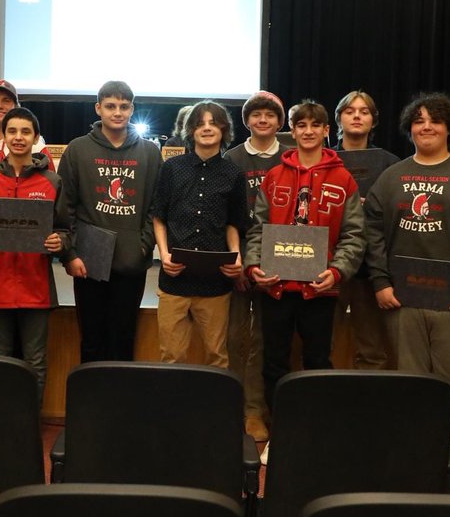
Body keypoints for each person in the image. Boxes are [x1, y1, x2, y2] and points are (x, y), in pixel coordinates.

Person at [364, 93, 450, 463]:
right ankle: (414, 450)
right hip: (402, 300)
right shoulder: (390, 178)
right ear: (409, 129)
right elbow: (372, 234)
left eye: (435, 120)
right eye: (419, 120)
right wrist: (380, 282)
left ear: (449, 128)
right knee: (410, 382)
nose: (426, 126)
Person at [244, 99, 366, 415]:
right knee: (274, 361)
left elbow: (354, 235)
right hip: (275, 286)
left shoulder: (344, 179)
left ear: (326, 130)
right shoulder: (274, 176)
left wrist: (336, 272)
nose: (308, 131)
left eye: (315, 125)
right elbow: (258, 229)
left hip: (319, 288)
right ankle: (278, 427)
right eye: (301, 125)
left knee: (317, 361)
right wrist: (254, 266)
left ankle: (313, 428)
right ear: (293, 131)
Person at [58, 80, 162, 363]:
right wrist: (71, 254)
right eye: (110, 106)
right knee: (91, 339)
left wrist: (143, 245)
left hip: (132, 261)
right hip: (88, 262)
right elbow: (65, 206)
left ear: (132, 110)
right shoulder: (77, 149)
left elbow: (156, 206)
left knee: (124, 338)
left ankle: (120, 393)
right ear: (98, 109)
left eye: (124, 107)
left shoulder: (150, 152)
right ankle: (90, 393)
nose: (117, 112)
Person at [0, 107, 70, 399]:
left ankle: (29, 421)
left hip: (36, 286)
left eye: (26, 132)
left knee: (35, 361)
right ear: (3, 136)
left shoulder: (52, 182)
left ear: (36, 138)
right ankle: (2, 420)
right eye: (12, 131)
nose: (18, 137)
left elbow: (65, 230)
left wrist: (60, 242)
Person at [151, 101, 249, 370]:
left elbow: (233, 223)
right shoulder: (172, 168)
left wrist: (236, 257)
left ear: (224, 129)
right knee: (171, 357)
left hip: (215, 282)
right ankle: (174, 400)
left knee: (217, 357)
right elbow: (159, 217)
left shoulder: (233, 174)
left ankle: (214, 401)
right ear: (190, 130)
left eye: (213, 123)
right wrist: (164, 254)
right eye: (200, 123)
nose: (206, 128)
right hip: (174, 279)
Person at [224, 91, 290, 442]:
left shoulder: (291, 156)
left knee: (266, 338)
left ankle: (256, 409)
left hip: (278, 261)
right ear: (246, 120)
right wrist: (237, 260)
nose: (263, 120)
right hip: (237, 259)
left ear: (280, 122)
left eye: (270, 115)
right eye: (256, 114)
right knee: (235, 337)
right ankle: (234, 406)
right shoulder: (232, 158)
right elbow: (224, 215)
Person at [332, 90, 402, 371]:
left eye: (364, 112)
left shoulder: (391, 164)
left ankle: (369, 398)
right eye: (349, 111)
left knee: (372, 348)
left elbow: (399, 214)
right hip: (328, 265)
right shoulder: (324, 159)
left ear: (374, 120)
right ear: (339, 118)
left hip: (373, 268)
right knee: (321, 344)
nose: (357, 116)